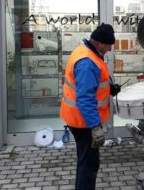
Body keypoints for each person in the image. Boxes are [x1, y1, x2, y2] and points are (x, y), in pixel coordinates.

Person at [60, 23, 121, 190]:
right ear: (100, 43)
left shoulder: (86, 52)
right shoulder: (87, 62)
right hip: (84, 123)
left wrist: (110, 88)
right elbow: (85, 99)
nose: (109, 49)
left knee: (86, 162)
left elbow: (92, 86)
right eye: (109, 45)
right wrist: (95, 126)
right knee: (89, 165)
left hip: (80, 119)